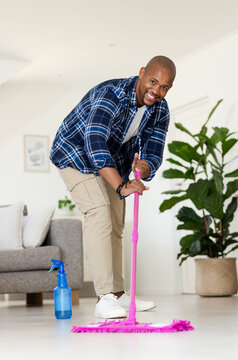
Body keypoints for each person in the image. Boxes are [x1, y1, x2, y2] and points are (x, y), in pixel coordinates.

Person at [50, 55, 176, 319]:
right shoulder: (112, 94)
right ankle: (104, 297)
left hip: (111, 160)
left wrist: (145, 167)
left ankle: (118, 295)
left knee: (117, 221)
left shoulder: (160, 109)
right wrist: (120, 187)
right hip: (74, 154)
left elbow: (154, 149)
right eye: (153, 81)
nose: (157, 90)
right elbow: (94, 142)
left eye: (164, 87)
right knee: (98, 211)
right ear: (142, 73)